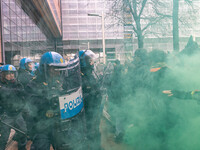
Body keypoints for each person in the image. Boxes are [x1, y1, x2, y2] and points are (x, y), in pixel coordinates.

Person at [27, 51, 86, 150]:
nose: (58, 72)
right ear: (44, 68)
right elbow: (31, 105)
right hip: (42, 126)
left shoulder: (63, 83)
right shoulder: (33, 84)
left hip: (61, 124)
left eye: (60, 69)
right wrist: (48, 99)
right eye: (54, 69)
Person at [79, 50, 102, 150]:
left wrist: (98, 92)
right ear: (83, 61)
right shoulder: (77, 76)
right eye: (90, 60)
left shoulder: (91, 74)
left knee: (95, 130)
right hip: (84, 113)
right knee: (85, 133)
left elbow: (94, 88)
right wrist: (89, 95)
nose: (92, 63)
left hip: (94, 109)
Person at [0, 64, 27, 150]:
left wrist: (4, 90)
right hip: (6, 115)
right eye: (8, 73)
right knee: (4, 138)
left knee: (23, 132)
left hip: (17, 114)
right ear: (3, 75)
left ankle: (22, 148)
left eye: (12, 73)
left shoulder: (17, 83)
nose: (11, 75)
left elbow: (22, 92)